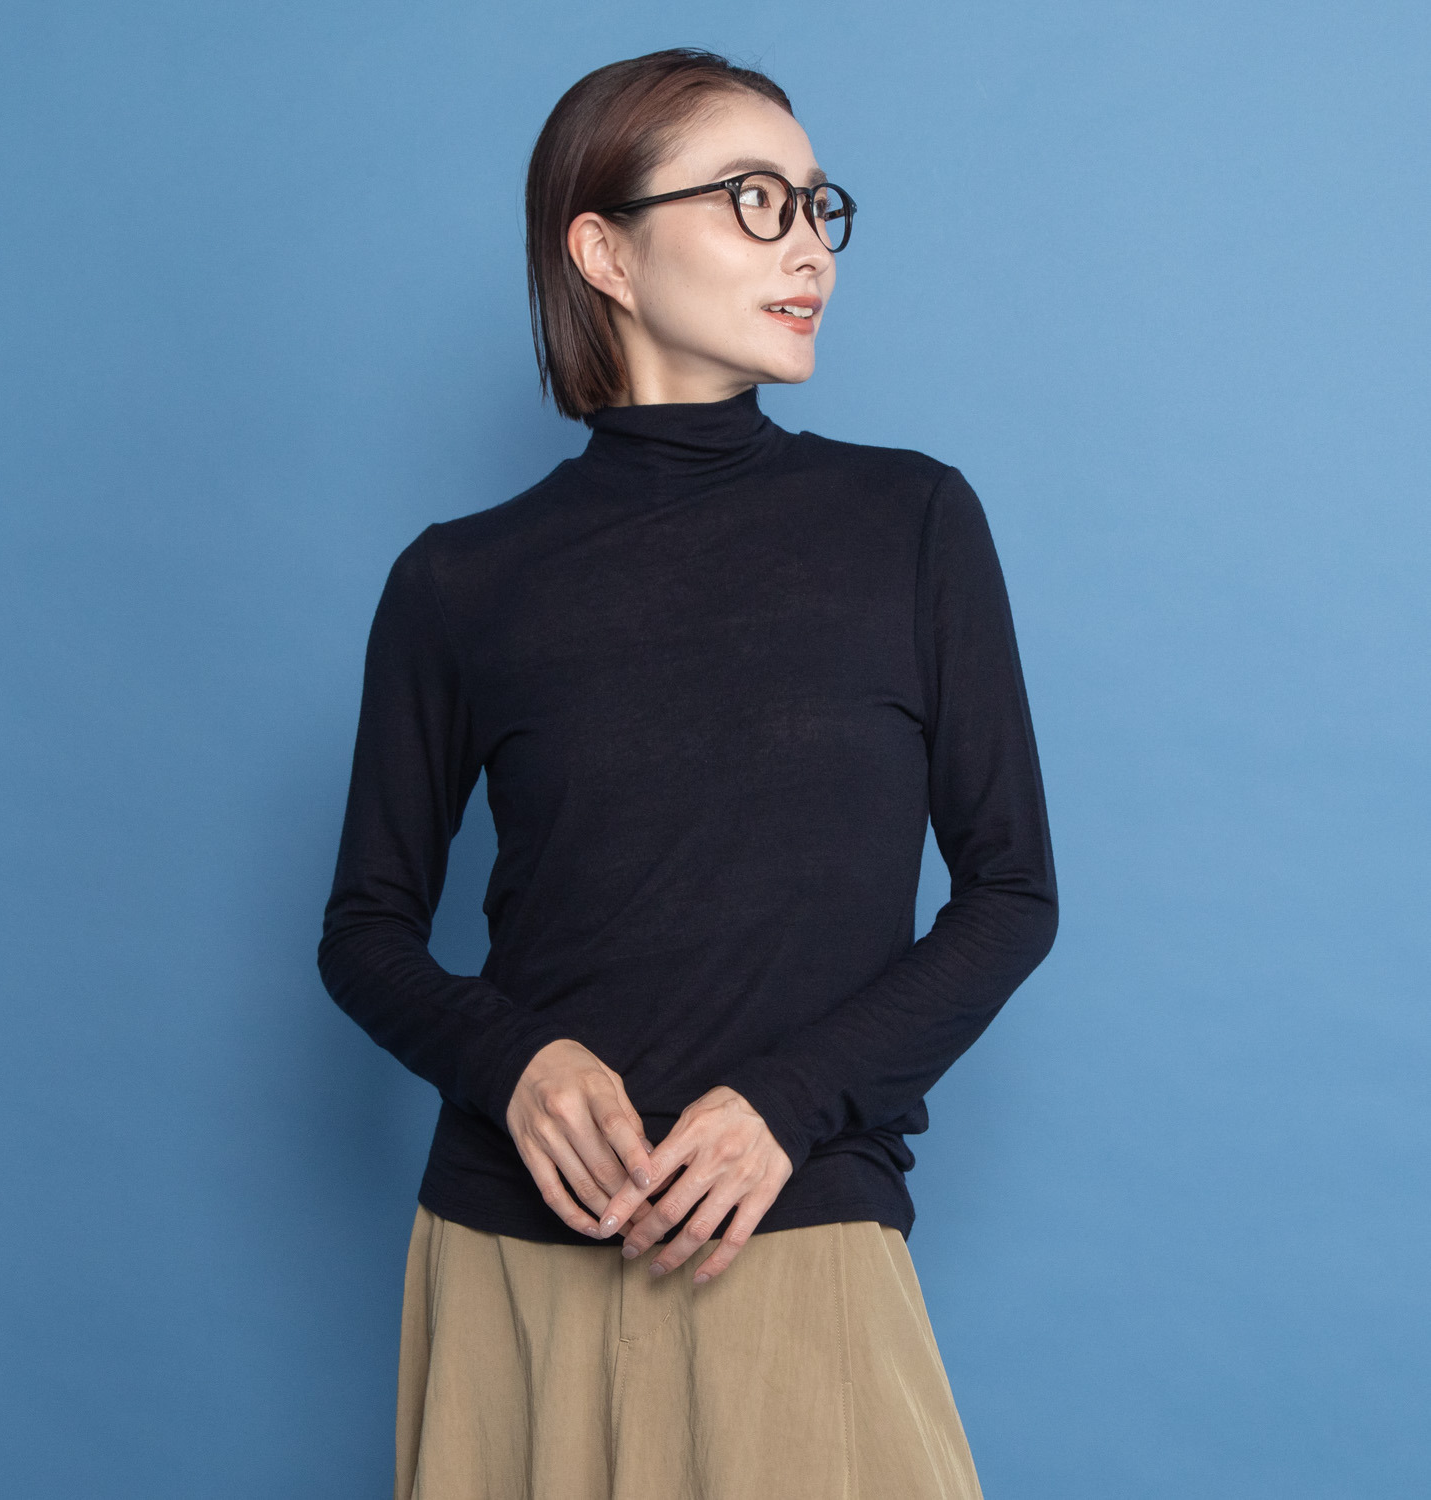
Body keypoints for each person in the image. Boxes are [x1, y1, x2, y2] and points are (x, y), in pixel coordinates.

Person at [317, 46, 1057, 1500]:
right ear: (604, 251)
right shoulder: (460, 581)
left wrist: (788, 1103)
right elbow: (365, 932)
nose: (809, 248)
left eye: (817, 205)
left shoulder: (910, 522)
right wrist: (512, 1062)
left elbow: (1012, 895)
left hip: (796, 1233)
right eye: (751, 199)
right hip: (511, 1261)